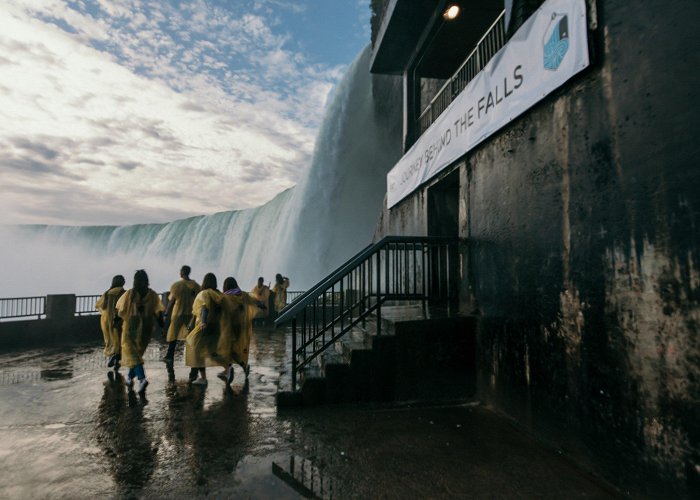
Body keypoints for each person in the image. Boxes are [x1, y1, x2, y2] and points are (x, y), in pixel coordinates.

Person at [115, 269, 165, 394]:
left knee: (131, 353)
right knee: (136, 354)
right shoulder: (152, 294)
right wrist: (161, 324)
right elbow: (158, 311)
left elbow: (120, 308)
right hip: (147, 327)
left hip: (132, 325)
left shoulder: (130, 293)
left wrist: (116, 320)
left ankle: (142, 379)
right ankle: (130, 378)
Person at [221, 277, 264, 382]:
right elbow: (255, 301)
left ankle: (232, 369)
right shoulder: (243, 295)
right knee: (231, 349)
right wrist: (262, 305)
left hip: (229, 327)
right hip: (240, 327)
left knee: (227, 349)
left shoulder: (226, 297)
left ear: (226, 286)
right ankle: (233, 368)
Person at [185, 272, 222, 386]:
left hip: (203, 326)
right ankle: (227, 367)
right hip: (216, 326)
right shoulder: (218, 294)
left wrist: (203, 322)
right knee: (211, 351)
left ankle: (203, 378)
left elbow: (204, 307)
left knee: (195, 348)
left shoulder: (204, 293)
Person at [163, 265, 200, 363]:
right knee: (191, 334)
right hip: (191, 314)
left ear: (183, 272)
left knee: (173, 334)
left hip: (178, 313)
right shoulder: (196, 285)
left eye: (180, 271)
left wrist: (166, 313)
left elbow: (172, 300)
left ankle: (169, 355)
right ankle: (195, 355)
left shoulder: (177, 285)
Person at [96, 275, 126, 370]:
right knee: (119, 338)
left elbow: (99, 305)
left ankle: (113, 358)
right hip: (117, 318)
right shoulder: (122, 292)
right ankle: (117, 359)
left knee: (109, 339)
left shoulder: (107, 292)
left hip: (105, 319)